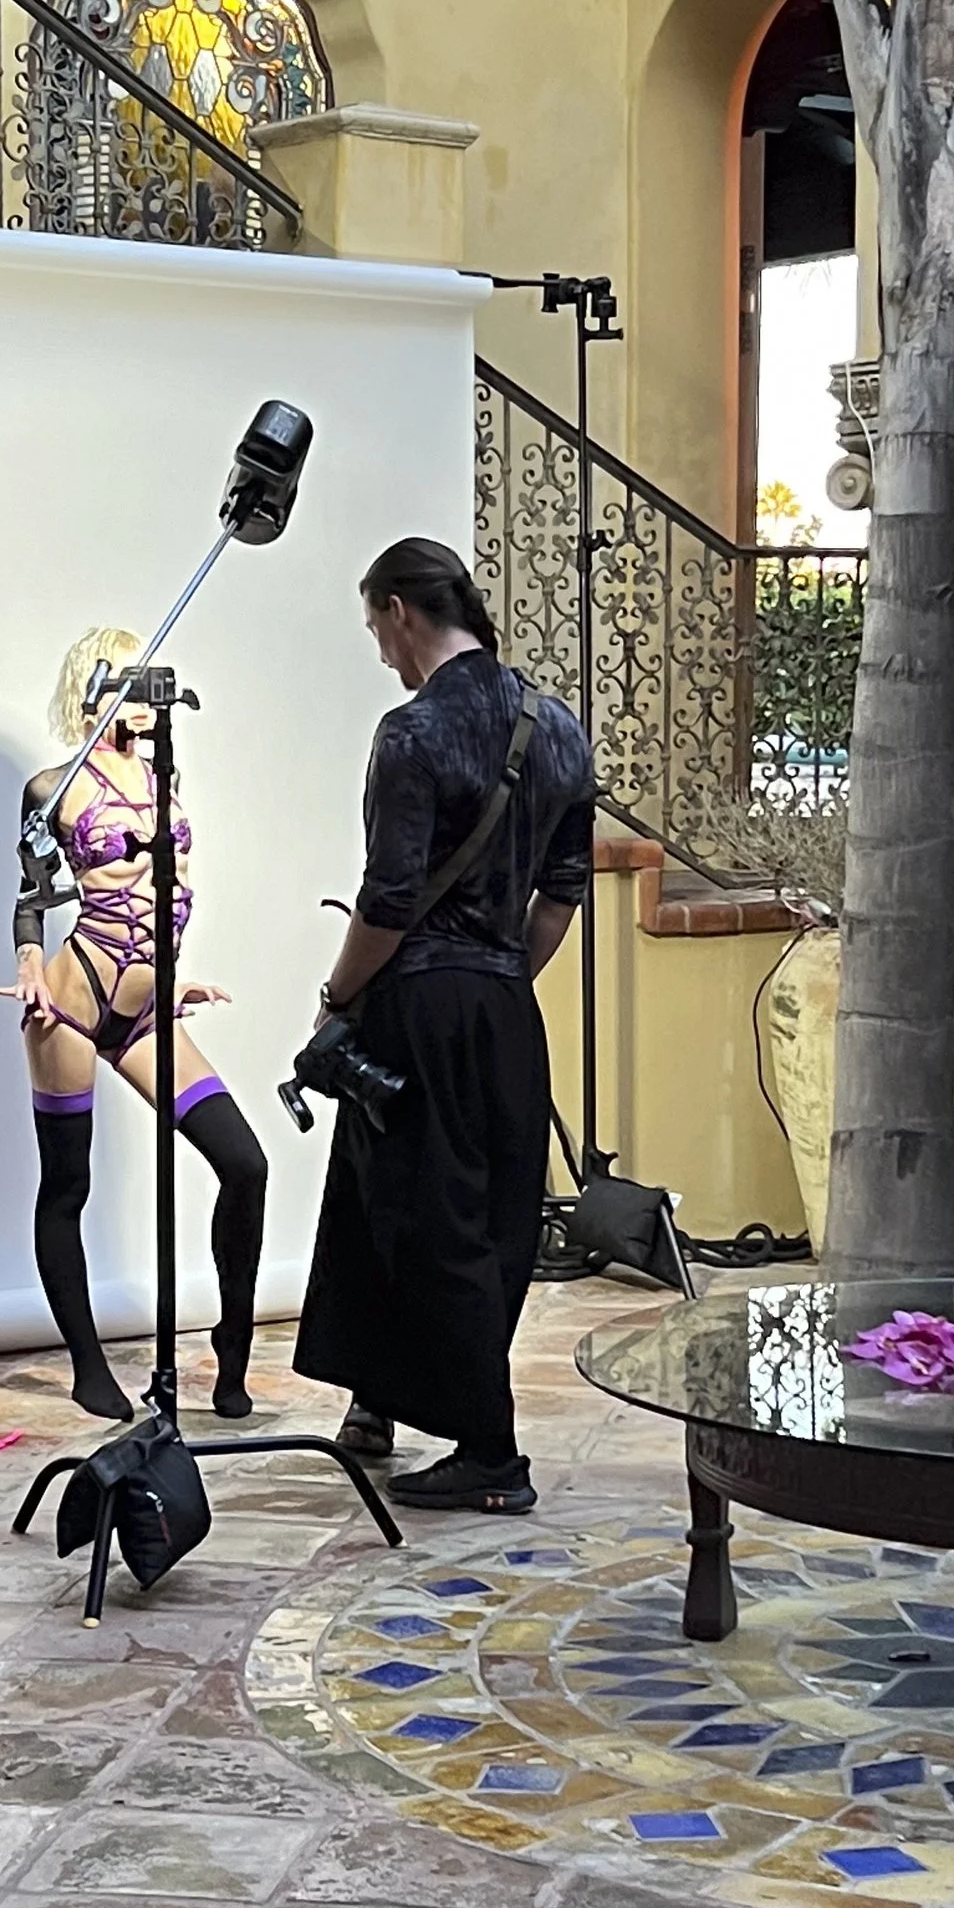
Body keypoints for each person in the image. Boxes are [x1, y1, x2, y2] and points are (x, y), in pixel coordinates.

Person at [293, 537, 594, 1514]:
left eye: (377, 629)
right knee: (489, 1214)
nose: (381, 651)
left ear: (399, 612)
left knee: (421, 1217)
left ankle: (491, 1453)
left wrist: (338, 998)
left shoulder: (410, 733)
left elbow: (385, 903)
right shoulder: (557, 728)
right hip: (507, 1004)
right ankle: (378, 1401)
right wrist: (498, 977)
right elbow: (559, 896)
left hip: (417, 1007)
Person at [10, 625, 267, 1423]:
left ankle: (233, 1352)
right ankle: (89, 1366)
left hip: (149, 1008)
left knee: (245, 1164)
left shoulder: (166, 777)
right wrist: (27, 961)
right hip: (74, 1002)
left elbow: (163, 890)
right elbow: (32, 893)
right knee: (69, 1184)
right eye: (128, 679)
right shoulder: (54, 786)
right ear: (95, 687)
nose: (147, 698)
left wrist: (172, 975)